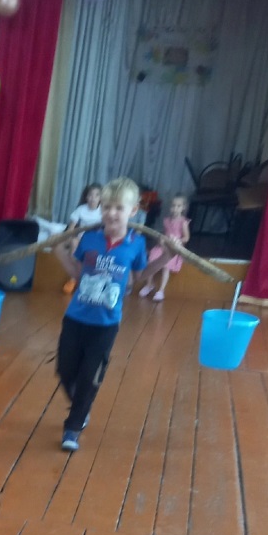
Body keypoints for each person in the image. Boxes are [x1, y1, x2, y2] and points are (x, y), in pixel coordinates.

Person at [52, 177, 178, 452]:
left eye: (119, 208)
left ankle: (73, 425)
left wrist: (165, 257)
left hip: (105, 324)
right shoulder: (90, 238)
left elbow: (138, 278)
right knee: (65, 369)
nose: (111, 213)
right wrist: (58, 249)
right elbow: (77, 273)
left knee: (90, 376)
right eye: (107, 207)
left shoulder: (136, 244)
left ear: (133, 211)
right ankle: (82, 403)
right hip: (75, 317)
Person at [139, 195, 191, 302]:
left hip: (173, 249)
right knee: (152, 261)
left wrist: (178, 240)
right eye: (173, 206)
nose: (175, 208)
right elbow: (165, 233)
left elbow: (186, 238)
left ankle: (161, 290)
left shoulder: (183, 222)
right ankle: (149, 284)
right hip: (163, 246)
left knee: (166, 266)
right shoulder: (167, 220)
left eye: (178, 206)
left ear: (183, 208)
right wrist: (161, 239)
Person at [62, 183, 103, 294]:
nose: (93, 198)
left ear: (101, 198)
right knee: (73, 245)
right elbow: (71, 228)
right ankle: (74, 278)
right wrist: (67, 239)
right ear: (86, 197)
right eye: (90, 195)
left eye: (96, 195)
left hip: (96, 239)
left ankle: (89, 279)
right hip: (81, 238)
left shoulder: (103, 211)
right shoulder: (81, 209)